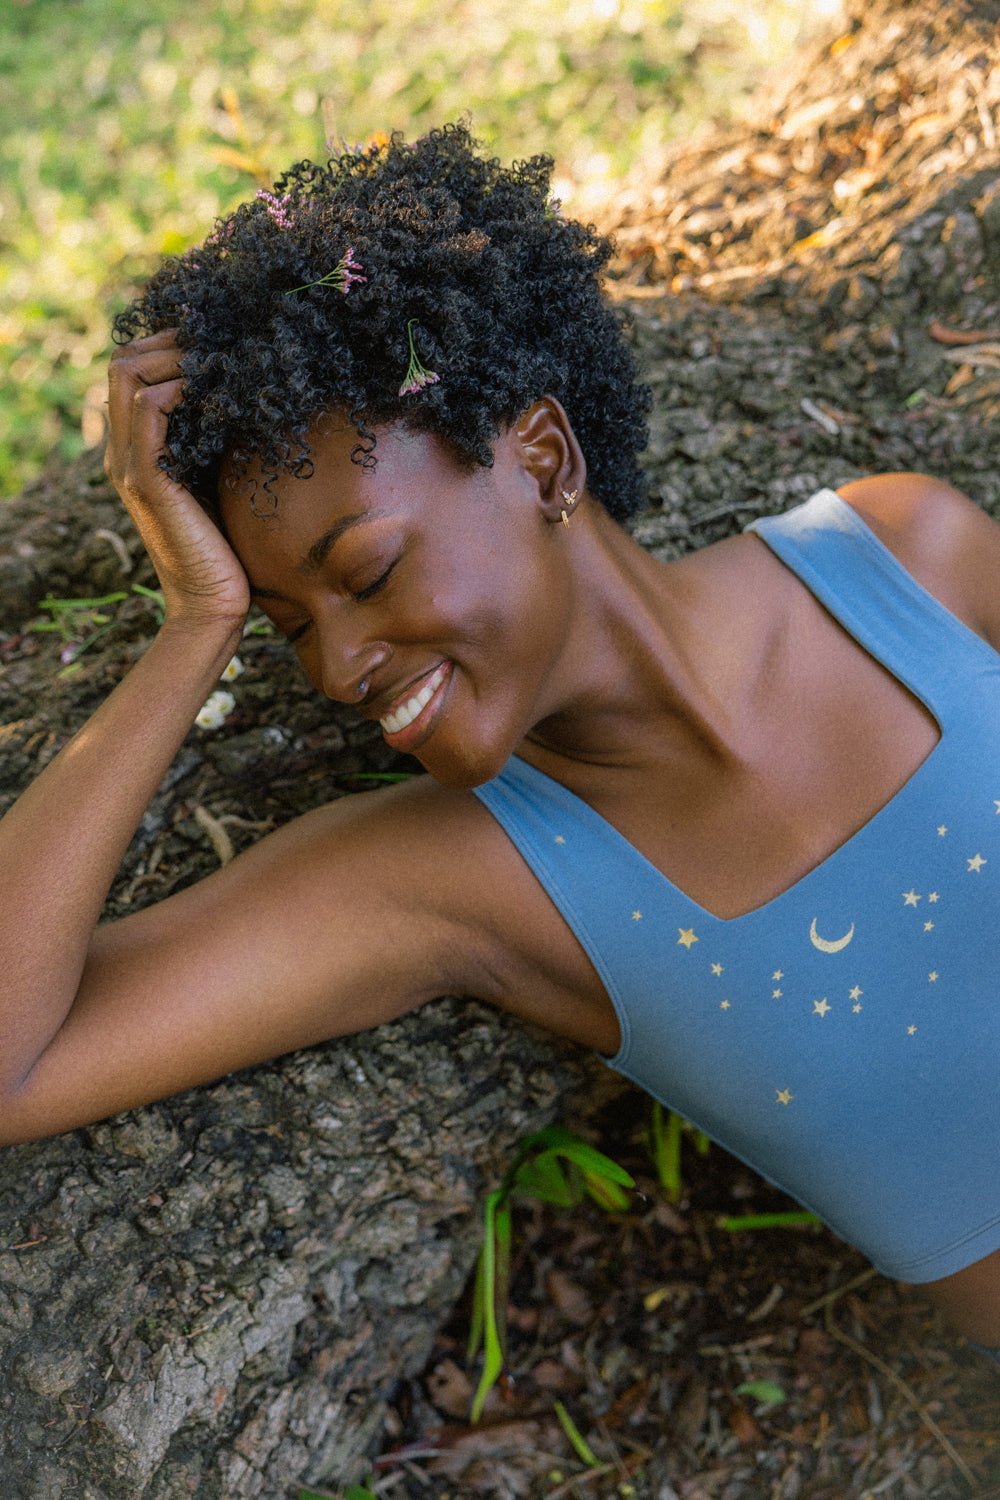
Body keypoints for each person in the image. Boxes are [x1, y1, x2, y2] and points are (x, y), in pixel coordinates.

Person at [1, 125, 998, 1363]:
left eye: (366, 573)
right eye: (287, 626)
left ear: (541, 457)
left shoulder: (908, 563)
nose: (335, 669)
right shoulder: (453, 881)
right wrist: (196, 623)